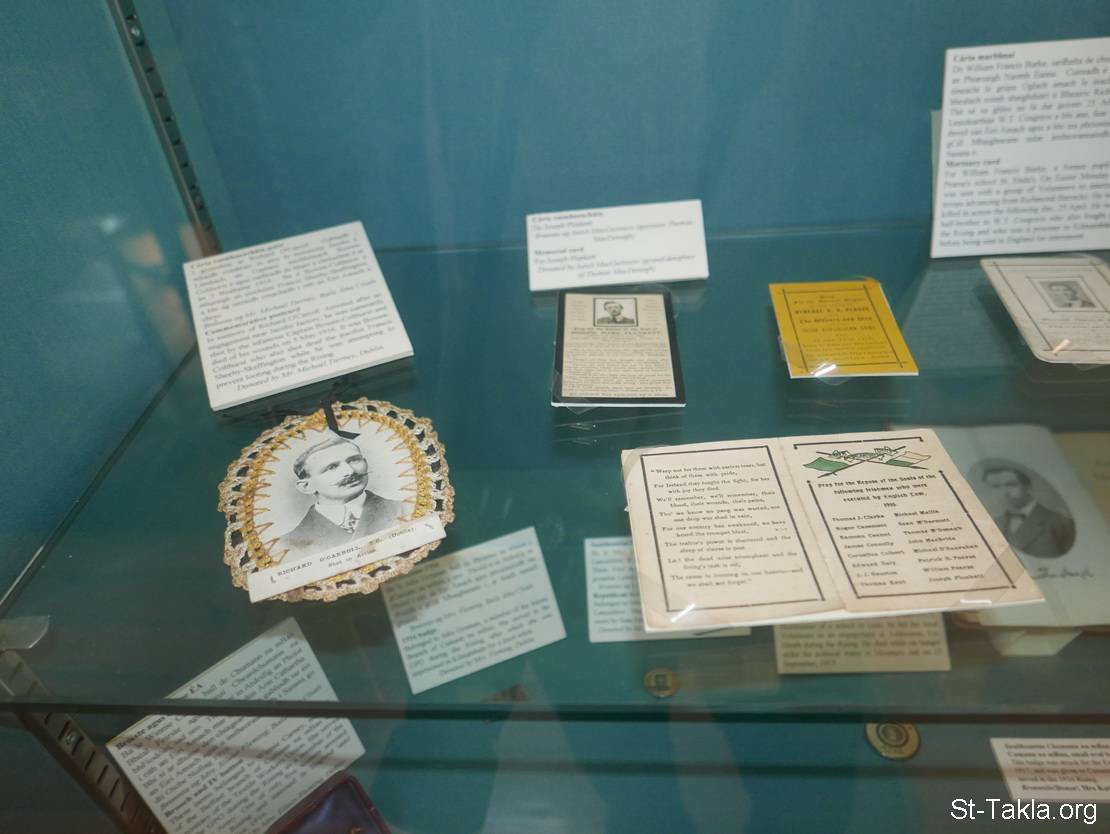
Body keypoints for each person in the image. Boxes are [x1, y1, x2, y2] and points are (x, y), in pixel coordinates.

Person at [273, 436, 406, 559]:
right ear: (306, 486)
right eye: (331, 467)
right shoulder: (288, 544)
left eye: (354, 460)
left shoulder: (405, 508)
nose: (350, 471)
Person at [982, 465, 1075, 558]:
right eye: (996, 486)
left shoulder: (1060, 522)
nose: (1004, 493)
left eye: (1011, 485)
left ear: (1027, 486)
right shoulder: (994, 523)